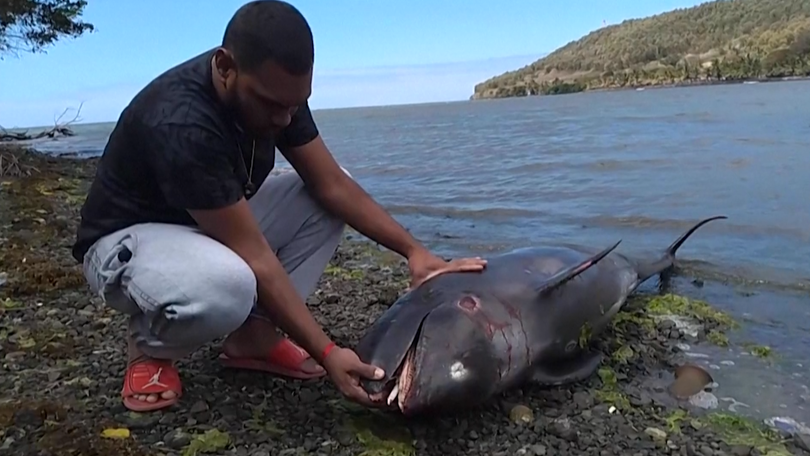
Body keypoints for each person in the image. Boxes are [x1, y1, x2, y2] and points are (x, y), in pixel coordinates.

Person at [71, 0, 486, 413]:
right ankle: (149, 347)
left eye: (295, 103)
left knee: (322, 200)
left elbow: (332, 185)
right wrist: (326, 351)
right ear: (225, 67)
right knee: (230, 285)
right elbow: (255, 256)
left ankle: (255, 336)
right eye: (272, 104)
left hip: (204, 225)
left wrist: (416, 253)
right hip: (126, 244)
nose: (285, 119)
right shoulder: (181, 122)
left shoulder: (277, 93)